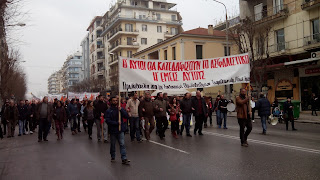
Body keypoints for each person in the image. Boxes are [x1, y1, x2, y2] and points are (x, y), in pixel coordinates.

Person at [105, 96, 130, 165]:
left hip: (120, 130)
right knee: (113, 144)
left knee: (122, 144)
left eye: (116, 100)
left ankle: (124, 158)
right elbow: (107, 120)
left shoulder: (120, 109)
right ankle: (113, 156)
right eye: (113, 100)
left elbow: (126, 116)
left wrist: (121, 110)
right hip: (113, 130)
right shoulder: (109, 111)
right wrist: (116, 123)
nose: (115, 102)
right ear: (111, 102)